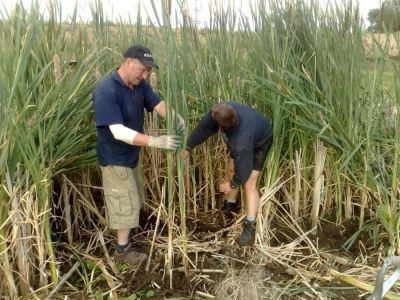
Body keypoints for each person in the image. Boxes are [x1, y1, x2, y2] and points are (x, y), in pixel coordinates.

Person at [93, 45, 185, 265]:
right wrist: (154, 141)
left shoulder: (138, 84)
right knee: (124, 201)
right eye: (142, 70)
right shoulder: (106, 90)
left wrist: (175, 118)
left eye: (147, 72)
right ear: (128, 62)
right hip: (114, 157)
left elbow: (156, 104)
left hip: (131, 155)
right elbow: (118, 131)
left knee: (133, 198)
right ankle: (122, 251)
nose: (145, 75)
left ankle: (126, 236)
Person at [186, 101, 272, 246]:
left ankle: (250, 224)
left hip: (261, 140)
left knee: (249, 182)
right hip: (245, 134)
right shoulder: (219, 110)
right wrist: (188, 146)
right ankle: (230, 204)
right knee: (231, 166)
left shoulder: (242, 140)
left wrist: (232, 184)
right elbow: (203, 129)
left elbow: (243, 170)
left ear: (223, 127)